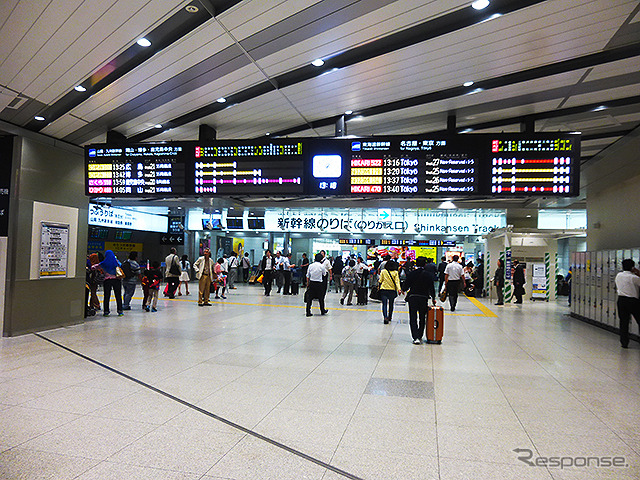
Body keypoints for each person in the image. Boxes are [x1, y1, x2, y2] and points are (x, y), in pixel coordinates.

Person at [404, 257, 437, 344]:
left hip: (413, 297)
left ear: (416, 264)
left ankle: (415, 337)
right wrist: (433, 298)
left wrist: (404, 290)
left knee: (413, 317)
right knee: (422, 317)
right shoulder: (428, 275)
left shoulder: (412, 274)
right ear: (425, 264)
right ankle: (420, 335)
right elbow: (431, 288)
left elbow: (405, 286)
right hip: (423, 297)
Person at [615, 259, 640, 348]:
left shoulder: (619, 275)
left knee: (624, 322)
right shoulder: (634, 278)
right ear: (633, 267)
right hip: (633, 301)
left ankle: (624, 342)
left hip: (621, 300)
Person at [93, 249, 124, 316]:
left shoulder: (104, 263)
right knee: (118, 296)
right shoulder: (116, 262)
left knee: (106, 296)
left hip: (107, 281)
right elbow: (121, 266)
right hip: (117, 280)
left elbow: (95, 267)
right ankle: (120, 311)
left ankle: (106, 311)